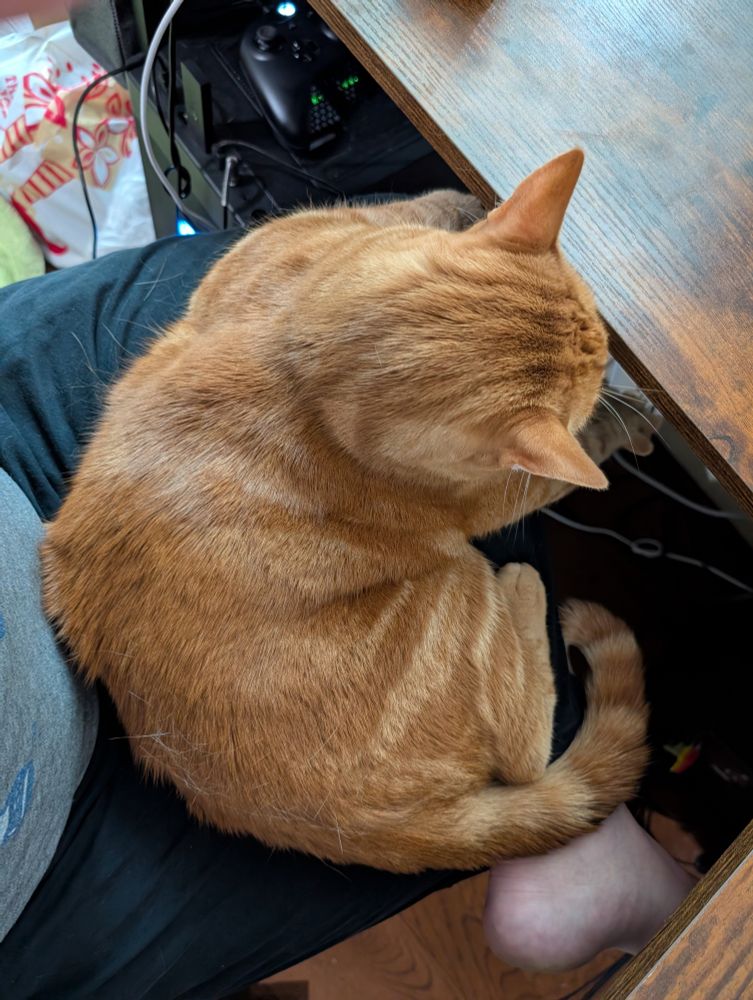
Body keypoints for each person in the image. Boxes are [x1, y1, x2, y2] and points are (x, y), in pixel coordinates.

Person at [0, 223, 694, 996]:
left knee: (308, 277)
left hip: (74, 560)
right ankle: (547, 775)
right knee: (462, 557)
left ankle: (587, 855)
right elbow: (459, 500)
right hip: (59, 834)